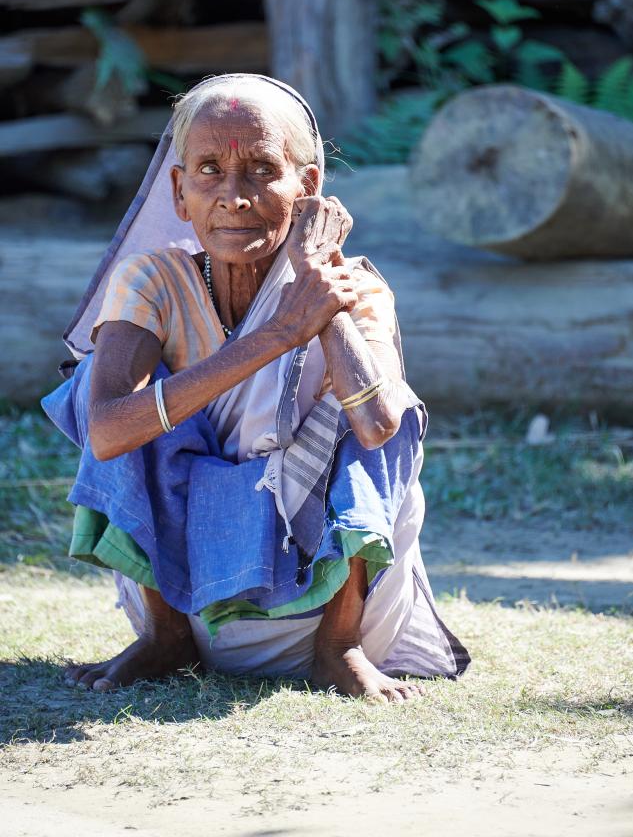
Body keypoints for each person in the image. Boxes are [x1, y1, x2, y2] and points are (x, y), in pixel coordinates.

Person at [42, 74, 469, 703]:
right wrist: (276, 335)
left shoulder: (352, 289)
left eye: (262, 170)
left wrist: (316, 294)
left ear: (308, 188)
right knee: (98, 391)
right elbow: (106, 431)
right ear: (178, 192)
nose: (233, 197)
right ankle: (166, 639)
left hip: (315, 591)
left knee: (382, 400)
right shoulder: (152, 280)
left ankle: (338, 647)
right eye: (209, 170)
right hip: (189, 589)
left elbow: (380, 429)